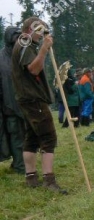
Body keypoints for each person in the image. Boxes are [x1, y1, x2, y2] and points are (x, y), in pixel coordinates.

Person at [11, 16, 66, 193]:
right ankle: (49, 181)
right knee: (48, 137)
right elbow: (34, 69)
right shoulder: (25, 43)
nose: (42, 34)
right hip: (33, 98)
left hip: (27, 97)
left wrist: (41, 48)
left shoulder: (24, 44)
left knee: (32, 138)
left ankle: (31, 177)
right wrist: (44, 49)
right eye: (39, 30)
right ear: (29, 29)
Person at [0, 26, 26, 174]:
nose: (18, 40)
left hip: (24, 103)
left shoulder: (23, 55)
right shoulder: (1, 59)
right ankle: (19, 165)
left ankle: (21, 161)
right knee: (15, 136)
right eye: (15, 37)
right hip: (8, 105)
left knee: (27, 135)